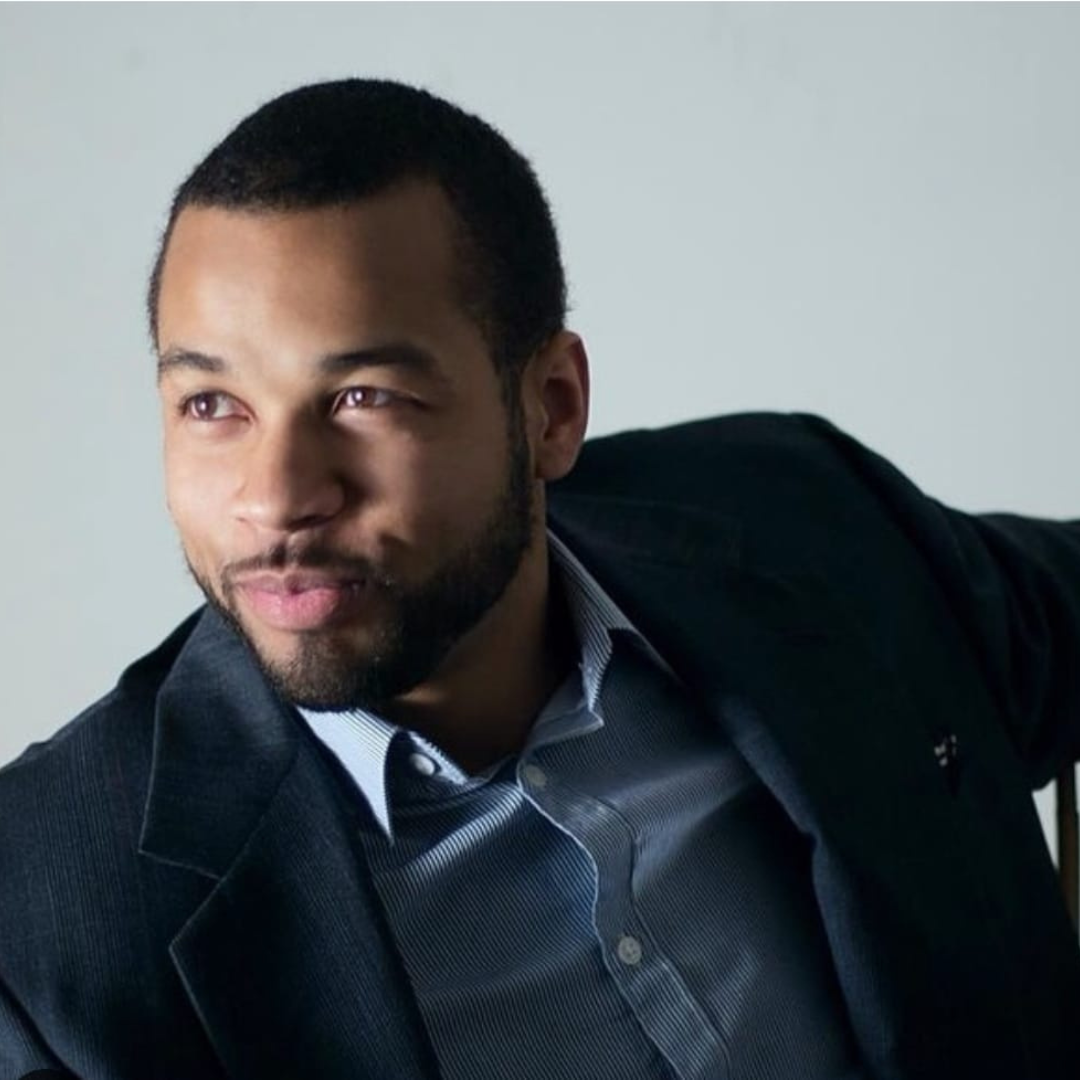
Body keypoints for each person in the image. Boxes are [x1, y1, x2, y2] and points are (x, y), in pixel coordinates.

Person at [1, 78, 1078, 1080]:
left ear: (552, 407)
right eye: (210, 406)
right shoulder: (42, 922)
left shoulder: (801, 524)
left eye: (365, 398)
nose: (277, 498)